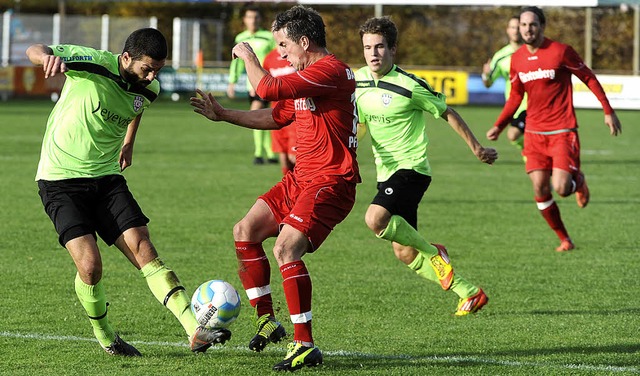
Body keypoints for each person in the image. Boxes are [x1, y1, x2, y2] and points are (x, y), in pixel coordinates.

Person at [27, 28, 230, 357]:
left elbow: (137, 107)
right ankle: (106, 335)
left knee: (143, 247)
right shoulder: (94, 64)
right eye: (146, 69)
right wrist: (45, 58)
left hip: (107, 178)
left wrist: (128, 142)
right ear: (125, 59)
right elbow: (37, 48)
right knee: (90, 266)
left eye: (157, 70)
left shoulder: (149, 89)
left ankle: (196, 329)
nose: (151, 77)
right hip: (60, 179)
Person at [191, 5, 359, 371]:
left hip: (331, 180)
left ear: (304, 41)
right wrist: (224, 116)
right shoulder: (310, 77)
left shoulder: (329, 70)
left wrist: (248, 54)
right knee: (245, 231)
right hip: (302, 178)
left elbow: (265, 86)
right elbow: (275, 115)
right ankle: (267, 320)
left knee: (286, 248)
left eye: (283, 45)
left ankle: (304, 344)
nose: (280, 53)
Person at [355, 17, 497, 316]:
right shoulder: (357, 82)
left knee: (374, 219)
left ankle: (435, 253)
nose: (373, 53)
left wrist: (477, 149)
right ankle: (469, 292)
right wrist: (349, 149)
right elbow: (362, 125)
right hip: (386, 172)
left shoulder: (409, 85)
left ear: (392, 49)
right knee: (404, 251)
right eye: (368, 47)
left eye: (379, 46)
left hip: (412, 169)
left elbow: (448, 113)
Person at [486, 6, 622, 252]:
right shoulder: (517, 59)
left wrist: (607, 110)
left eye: (533, 24)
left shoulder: (560, 51)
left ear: (542, 27)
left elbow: (588, 77)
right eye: (524, 25)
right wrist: (499, 124)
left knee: (561, 188)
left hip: (562, 130)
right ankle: (564, 239)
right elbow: (516, 96)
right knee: (539, 187)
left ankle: (578, 180)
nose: (527, 29)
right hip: (534, 133)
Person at [227, 4, 278, 165]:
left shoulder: (268, 37)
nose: (253, 20)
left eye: (256, 17)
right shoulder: (240, 38)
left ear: (260, 19)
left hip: (270, 81)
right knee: (258, 112)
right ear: (244, 19)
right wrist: (232, 82)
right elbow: (237, 63)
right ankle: (261, 153)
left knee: (269, 116)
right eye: (249, 17)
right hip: (254, 85)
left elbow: (276, 58)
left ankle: (267, 153)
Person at [482, 15, 527, 154]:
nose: (516, 31)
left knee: (513, 134)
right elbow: (488, 83)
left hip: (533, 104)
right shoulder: (501, 56)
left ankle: (535, 154)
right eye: (512, 27)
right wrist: (485, 74)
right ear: (508, 30)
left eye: (518, 27)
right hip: (515, 105)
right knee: (518, 138)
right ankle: (535, 154)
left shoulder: (532, 50)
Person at [262, 47, 297, 175]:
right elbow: (264, 84)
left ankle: (304, 189)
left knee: (295, 156)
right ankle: (290, 190)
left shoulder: (295, 55)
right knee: (282, 154)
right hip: (276, 113)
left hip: (295, 114)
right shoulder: (269, 58)